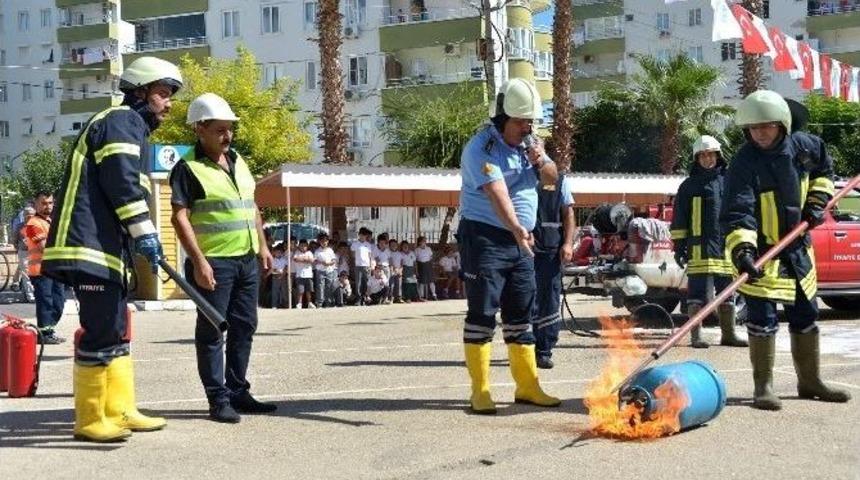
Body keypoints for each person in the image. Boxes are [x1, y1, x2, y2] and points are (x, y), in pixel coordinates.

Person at [42, 56, 182, 442]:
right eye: (162, 93)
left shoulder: (130, 124)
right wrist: (146, 232)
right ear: (139, 93)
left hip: (103, 247)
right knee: (101, 330)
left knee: (118, 330)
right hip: (87, 246)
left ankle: (120, 409)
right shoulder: (122, 121)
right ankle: (90, 419)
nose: (168, 103)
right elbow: (122, 183)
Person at [722, 89, 851, 411]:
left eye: (766, 126)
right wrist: (743, 251)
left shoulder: (807, 147)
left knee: (806, 316)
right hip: (762, 256)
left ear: (782, 124)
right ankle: (763, 387)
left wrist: (818, 202)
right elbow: (739, 210)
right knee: (762, 319)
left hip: (799, 251)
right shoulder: (743, 163)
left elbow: (825, 173)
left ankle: (810, 382)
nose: (759, 133)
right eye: (753, 128)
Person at [170, 92, 277, 423]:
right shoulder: (187, 168)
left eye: (230, 129)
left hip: (245, 259)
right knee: (213, 330)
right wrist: (199, 262)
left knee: (245, 325)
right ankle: (218, 400)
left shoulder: (239, 161)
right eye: (219, 129)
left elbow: (251, 207)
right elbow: (179, 217)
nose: (227, 136)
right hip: (214, 263)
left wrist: (262, 245)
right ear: (200, 129)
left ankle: (238, 391)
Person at [457, 78, 560, 414]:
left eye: (530, 121)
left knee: (522, 313)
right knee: (483, 313)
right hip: (485, 237)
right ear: (503, 118)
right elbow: (497, 193)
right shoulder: (481, 148)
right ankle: (481, 391)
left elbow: (553, 180)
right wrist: (517, 227)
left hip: (521, 242)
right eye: (520, 122)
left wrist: (541, 160)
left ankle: (528, 386)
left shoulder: (531, 146)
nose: (526, 128)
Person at [671, 135, 747, 349]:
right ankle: (697, 336)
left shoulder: (729, 182)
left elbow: (739, 211)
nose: (707, 159)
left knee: (727, 291)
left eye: (710, 154)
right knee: (696, 294)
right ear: (696, 158)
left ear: (718, 155)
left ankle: (729, 334)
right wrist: (679, 245)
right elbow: (680, 217)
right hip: (698, 247)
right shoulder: (688, 186)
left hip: (725, 246)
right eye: (702, 155)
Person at [530, 161, 576, 370]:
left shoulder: (560, 180)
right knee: (524, 299)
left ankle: (544, 351)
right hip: (523, 249)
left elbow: (568, 214)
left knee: (548, 300)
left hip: (550, 250)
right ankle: (523, 348)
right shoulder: (518, 175)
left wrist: (567, 243)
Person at [25, 193, 66, 344]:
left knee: (59, 303)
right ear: (35, 204)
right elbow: (44, 248)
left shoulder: (49, 221)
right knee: (46, 303)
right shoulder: (33, 223)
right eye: (43, 203)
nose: (47, 206)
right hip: (40, 271)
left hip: (54, 270)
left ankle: (48, 330)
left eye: (50, 203)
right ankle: (44, 334)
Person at [12, 206, 36, 302]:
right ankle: (31, 296)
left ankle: (15, 281)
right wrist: (17, 248)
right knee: (26, 274)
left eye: (32, 215)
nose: (30, 217)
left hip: (35, 252)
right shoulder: (19, 226)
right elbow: (14, 239)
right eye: (27, 216)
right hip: (24, 252)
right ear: (24, 216)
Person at [313, 232, 337, 307]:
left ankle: (328, 302)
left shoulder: (330, 250)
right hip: (320, 271)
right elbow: (315, 261)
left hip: (329, 270)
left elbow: (334, 260)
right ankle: (320, 302)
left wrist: (329, 263)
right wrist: (322, 262)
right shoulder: (317, 251)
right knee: (320, 286)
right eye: (322, 241)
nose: (324, 242)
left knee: (329, 286)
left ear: (328, 241)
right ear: (319, 242)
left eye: (326, 241)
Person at [351, 228, 373, 305]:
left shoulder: (368, 245)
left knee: (367, 282)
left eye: (365, 235)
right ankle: (359, 299)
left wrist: (370, 266)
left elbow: (370, 256)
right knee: (358, 283)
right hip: (358, 266)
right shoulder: (354, 244)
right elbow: (353, 256)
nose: (363, 236)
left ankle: (366, 297)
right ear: (359, 234)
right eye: (362, 235)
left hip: (366, 266)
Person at [293, 239, 315, 308]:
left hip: (308, 275)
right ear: (299, 246)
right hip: (300, 275)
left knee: (309, 290)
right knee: (300, 291)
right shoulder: (297, 252)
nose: (303, 247)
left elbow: (312, 260)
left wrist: (302, 259)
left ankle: (309, 303)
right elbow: (296, 259)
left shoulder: (309, 253)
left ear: (307, 246)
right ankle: (299, 303)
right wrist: (305, 260)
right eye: (301, 246)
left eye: (305, 246)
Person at [414, 236, 436, 301]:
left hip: (428, 265)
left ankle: (434, 294)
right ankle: (421, 296)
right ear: (420, 242)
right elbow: (415, 260)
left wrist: (430, 264)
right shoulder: (417, 250)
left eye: (425, 241)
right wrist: (416, 270)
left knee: (431, 281)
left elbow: (431, 257)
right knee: (421, 282)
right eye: (423, 241)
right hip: (421, 265)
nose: (424, 242)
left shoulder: (428, 248)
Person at [373, 235, 392, 303]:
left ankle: (386, 298)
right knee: (380, 283)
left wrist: (391, 268)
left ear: (386, 243)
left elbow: (390, 260)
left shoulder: (387, 250)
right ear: (378, 243)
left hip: (386, 268)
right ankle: (380, 298)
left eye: (384, 243)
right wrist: (379, 268)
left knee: (387, 283)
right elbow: (376, 259)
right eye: (380, 243)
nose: (382, 244)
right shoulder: (376, 250)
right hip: (379, 268)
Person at [270, 243, 288, 308]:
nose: (278, 253)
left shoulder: (285, 259)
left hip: (283, 276)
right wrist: (276, 271)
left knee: (284, 291)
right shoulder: (273, 260)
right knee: (275, 291)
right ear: (274, 253)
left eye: (280, 252)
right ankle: (274, 305)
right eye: (277, 252)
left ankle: (286, 304)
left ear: (282, 253)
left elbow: (286, 267)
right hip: (275, 276)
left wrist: (283, 274)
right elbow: (272, 269)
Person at [389, 238, 403, 303]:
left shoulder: (399, 253)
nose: (394, 246)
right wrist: (394, 269)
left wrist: (400, 270)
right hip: (391, 270)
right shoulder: (389, 253)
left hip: (399, 271)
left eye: (395, 244)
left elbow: (402, 263)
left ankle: (398, 298)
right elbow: (390, 262)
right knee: (392, 285)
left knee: (399, 285)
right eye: (392, 245)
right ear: (389, 246)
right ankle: (391, 298)